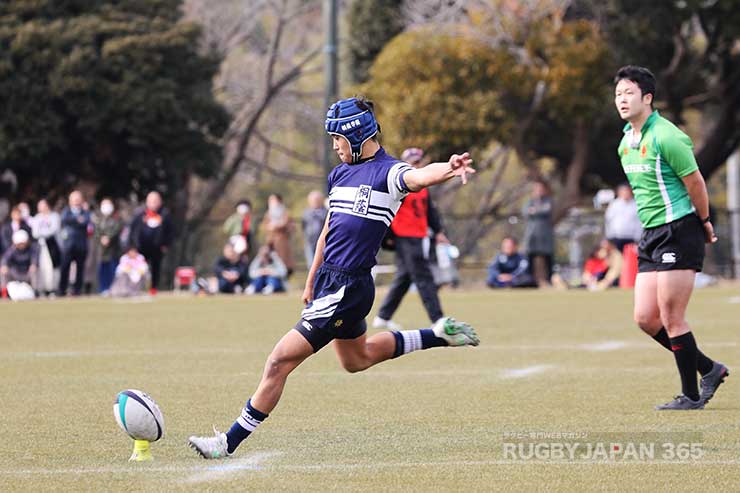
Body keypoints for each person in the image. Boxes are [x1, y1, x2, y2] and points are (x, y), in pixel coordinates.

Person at [188, 96, 479, 459]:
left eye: (337, 139)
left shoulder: (388, 173)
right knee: (356, 359)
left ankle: (226, 443)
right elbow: (329, 229)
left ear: (356, 136)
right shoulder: (339, 174)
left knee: (278, 361)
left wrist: (449, 168)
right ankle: (437, 335)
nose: (334, 146)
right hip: (330, 282)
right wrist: (312, 279)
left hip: (348, 287)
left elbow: (419, 177)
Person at [614, 65, 727, 410]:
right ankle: (710, 369)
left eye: (629, 93)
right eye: (618, 94)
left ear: (647, 98)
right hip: (651, 234)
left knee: (671, 314)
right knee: (646, 318)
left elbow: (696, 183)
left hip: (679, 229)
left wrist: (704, 221)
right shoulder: (625, 143)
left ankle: (691, 396)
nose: (621, 99)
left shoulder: (666, 136)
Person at [373, 147, 449, 330]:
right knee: (424, 277)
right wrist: (388, 236)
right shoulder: (400, 183)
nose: (417, 164)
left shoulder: (422, 186)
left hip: (418, 234)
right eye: (413, 161)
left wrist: (438, 231)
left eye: (419, 161)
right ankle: (438, 319)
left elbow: (429, 210)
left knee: (404, 278)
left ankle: (383, 316)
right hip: (404, 236)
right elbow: (388, 209)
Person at [129, 191, 173, 294]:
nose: (153, 203)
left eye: (155, 201)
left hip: (157, 248)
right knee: (139, 269)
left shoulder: (165, 215)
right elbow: (133, 230)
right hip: (141, 247)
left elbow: (170, 231)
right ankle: (137, 288)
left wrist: (166, 244)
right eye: (151, 201)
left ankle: (153, 288)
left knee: (155, 268)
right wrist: (132, 246)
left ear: (160, 202)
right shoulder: (140, 214)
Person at [58, 191, 91, 296]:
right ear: (70, 200)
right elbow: (64, 220)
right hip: (68, 245)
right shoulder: (66, 211)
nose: (76, 201)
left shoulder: (85, 212)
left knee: (80, 269)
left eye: (78, 199)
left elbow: (86, 221)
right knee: (64, 268)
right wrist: (77, 220)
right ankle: (62, 290)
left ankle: (77, 291)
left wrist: (75, 221)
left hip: (81, 245)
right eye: (74, 199)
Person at [522, 180, 554, 287]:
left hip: (545, 235)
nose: (539, 191)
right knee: (530, 257)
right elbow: (525, 211)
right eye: (537, 189)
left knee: (548, 257)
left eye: (540, 189)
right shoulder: (530, 201)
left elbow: (546, 210)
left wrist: (534, 211)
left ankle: (550, 279)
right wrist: (535, 210)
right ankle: (530, 281)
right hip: (532, 235)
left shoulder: (548, 201)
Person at [30, 199, 61, 296]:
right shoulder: (37, 218)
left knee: (54, 267)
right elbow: (35, 233)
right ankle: (42, 289)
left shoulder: (54, 216)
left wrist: (42, 233)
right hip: (41, 246)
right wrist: (44, 233)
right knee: (42, 267)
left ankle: (53, 288)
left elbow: (54, 229)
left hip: (53, 245)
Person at [260, 194, 294, 276]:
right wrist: (269, 227)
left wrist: (277, 226)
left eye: (273, 200)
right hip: (270, 241)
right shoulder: (268, 213)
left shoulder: (285, 212)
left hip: (282, 240)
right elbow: (264, 225)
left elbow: (288, 224)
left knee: (283, 261)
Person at [95, 198, 123, 294]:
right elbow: (96, 232)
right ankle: (104, 289)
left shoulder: (117, 219)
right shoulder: (98, 220)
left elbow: (117, 229)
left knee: (114, 270)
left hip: (113, 250)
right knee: (103, 270)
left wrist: (108, 238)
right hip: (102, 251)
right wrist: (101, 238)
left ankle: (114, 288)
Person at [604, 184, 642, 253]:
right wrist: (608, 236)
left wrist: (638, 237)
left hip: (631, 238)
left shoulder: (635, 205)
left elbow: (639, 222)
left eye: (627, 191)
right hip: (616, 237)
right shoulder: (614, 204)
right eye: (623, 191)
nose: (625, 193)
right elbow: (608, 220)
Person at [1, 230, 38, 299]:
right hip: (15, 273)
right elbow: (5, 259)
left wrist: (33, 265)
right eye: (19, 243)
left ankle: (35, 292)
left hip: (27, 273)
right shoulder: (12, 250)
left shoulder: (31, 249)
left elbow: (34, 259)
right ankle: (4, 294)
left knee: (34, 271)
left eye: (23, 243)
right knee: (3, 272)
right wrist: (4, 266)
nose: (21, 245)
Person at [301, 190, 328, 267]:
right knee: (311, 264)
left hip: (323, 242)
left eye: (316, 200)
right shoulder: (306, 212)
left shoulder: (326, 212)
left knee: (322, 264)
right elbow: (303, 226)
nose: (315, 202)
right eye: (313, 200)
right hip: (309, 242)